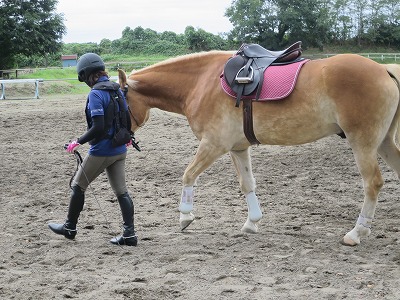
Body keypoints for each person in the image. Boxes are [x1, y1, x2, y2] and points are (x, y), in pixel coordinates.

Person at [48, 53, 137, 246]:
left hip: (101, 151)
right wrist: (127, 138)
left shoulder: (96, 94)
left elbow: (97, 127)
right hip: (120, 150)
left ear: (88, 74)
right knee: (122, 191)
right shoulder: (117, 89)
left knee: (78, 185)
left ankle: (69, 228)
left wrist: (77, 141)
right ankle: (129, 234)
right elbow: (127, 118)